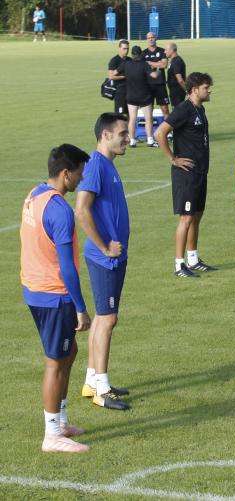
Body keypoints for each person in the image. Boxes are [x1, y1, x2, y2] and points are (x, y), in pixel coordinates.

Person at [21, 144, 91, 452]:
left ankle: (60, 421)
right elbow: (67, 267)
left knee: (69, 351)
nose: (81, 178)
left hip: (34, 288)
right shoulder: (61, 210)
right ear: (66, 173)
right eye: (79, 172)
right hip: (54, 295)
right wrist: (80, 308)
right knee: (55, 362)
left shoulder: (36, 193)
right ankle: (51, 436)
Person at [75, 113, 131, 411]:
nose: (127, 138)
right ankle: (102, 388)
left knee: (102, 317)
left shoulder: (106, 165)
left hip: (110, 257)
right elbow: (81, 210)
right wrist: (105, 247)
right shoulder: (96, 166)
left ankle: (91, 381)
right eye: (122, 133)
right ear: (105, 135)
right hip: (105, 259)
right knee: (108, 319)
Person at [154, 72, 216, 277]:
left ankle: (193, 259)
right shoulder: (184, 109)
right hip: (186, 174)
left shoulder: (200, 109)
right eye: (206, 87)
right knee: (186, 218)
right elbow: (160, 133)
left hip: (200, 171)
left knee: (197, 216)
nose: (210, 90)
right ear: (194, 89)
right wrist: (173, 159)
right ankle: (179, 265)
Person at [117, 46, 153, 147]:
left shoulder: (126, 63)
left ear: (132, 54)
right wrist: (157, 71)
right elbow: (153, 75)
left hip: (131, 96)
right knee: (148, 118)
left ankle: (132, 140)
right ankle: (150, 139)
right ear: (141, 54)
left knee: (132, 118)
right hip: (144, 96)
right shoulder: (144, 64)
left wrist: (125, 76)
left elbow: (114, 73)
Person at [143, 32, 170, 124]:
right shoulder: (143, 53)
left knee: (165, 109)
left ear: (156, 38)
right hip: (147, 86)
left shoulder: (162, 51)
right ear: (146, 39)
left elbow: (164, 65)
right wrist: (158, 63)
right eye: (149, 38)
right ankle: (150, 135)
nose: (150, 39)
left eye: (152, 37)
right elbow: (143, 67)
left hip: (160, 84)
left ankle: (169, 133)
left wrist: (149, 63)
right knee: (148, 111)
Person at [107, 40, 130, 116]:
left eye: (127, 49)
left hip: (131, 92)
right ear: (119, 48)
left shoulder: (130, 60)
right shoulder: (114, 61)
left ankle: (130, 128)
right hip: (120, 92)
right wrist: (124, 77)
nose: (126, 51)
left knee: (131, 114)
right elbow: (111, 76)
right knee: (120, 115)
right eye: (124, 48)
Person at [166, 43, 187, 108]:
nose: (164, 52)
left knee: (177, 112)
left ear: (172, 50)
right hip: (174, 92)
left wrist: (187, 90)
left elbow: (180, 80)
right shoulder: (174, 60)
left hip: (177, 93)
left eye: (166, 50)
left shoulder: (176, 61)